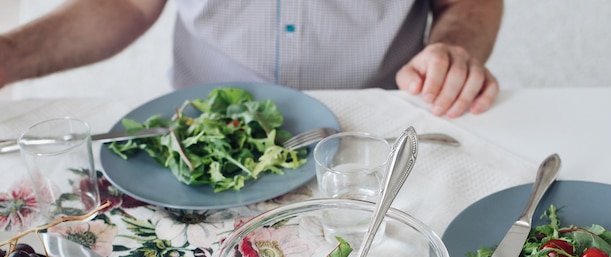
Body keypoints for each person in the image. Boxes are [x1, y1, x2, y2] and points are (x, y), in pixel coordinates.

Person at [0, 0, 502, 118]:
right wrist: (8, 56)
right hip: (202, 130)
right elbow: (127, 4)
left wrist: (454, 51)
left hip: (375, 130)